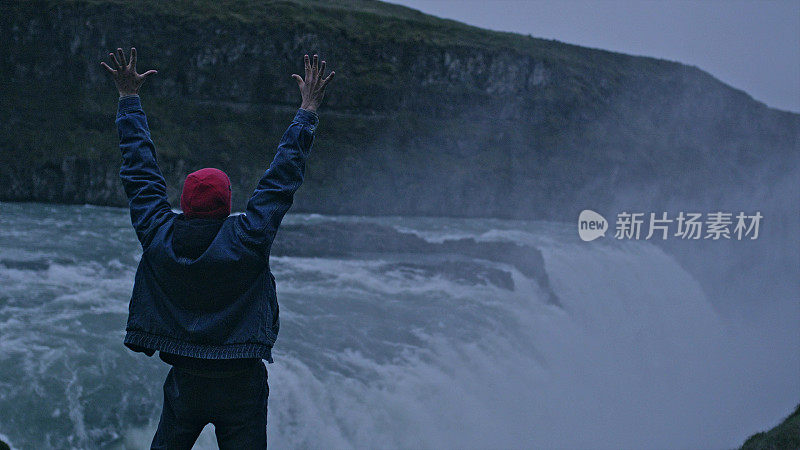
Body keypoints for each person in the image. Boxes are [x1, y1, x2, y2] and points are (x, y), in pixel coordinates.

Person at [100, 47, 334, 449]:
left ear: (184, 204)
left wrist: (128, 100)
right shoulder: (248, 237)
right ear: (227, 206)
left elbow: (139, 174)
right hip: (241, 382)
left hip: (186, 379)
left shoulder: (159, 233)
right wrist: (307, 110)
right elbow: (282, 177)